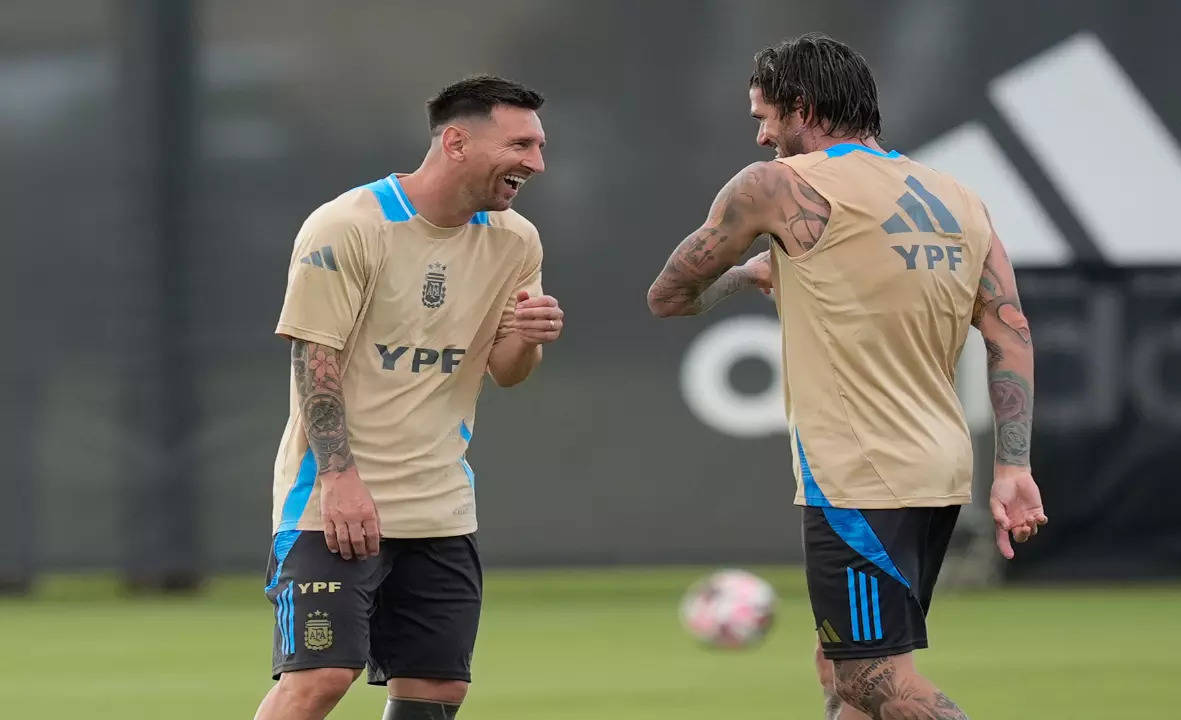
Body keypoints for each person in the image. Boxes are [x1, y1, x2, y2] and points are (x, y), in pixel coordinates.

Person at [647, 34, 1046, 720]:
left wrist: (749, 272)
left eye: (763, 116)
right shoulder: (956, 195)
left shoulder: (776, 187)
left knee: (872, 680)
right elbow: (1010, 331)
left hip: (859, 472)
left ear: (801, 108)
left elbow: (670, 295)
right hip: (939, 467)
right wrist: (1013, 467)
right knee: (841, 663)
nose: (761, 135)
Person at [254, 75, 563, 720]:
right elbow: (315, 359)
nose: (536, 163)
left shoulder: (516, 240)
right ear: (456, 142)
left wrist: (529, 339)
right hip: (333, 503)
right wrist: (339, 479)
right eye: (522, 145)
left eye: (539, 147)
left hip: (440, 506)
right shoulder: (347, 225)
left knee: (436, 689)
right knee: (320, 678)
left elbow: (507, 372)